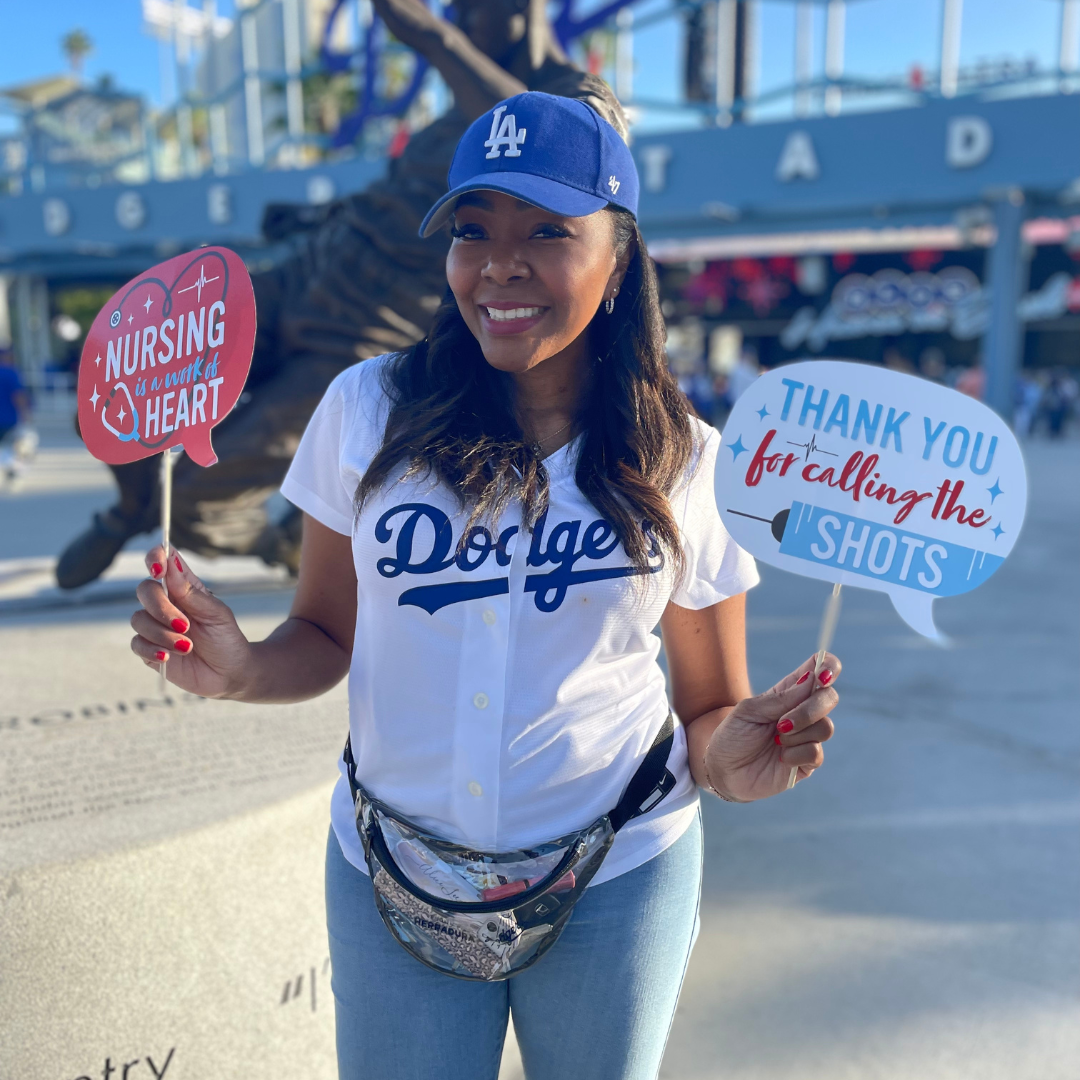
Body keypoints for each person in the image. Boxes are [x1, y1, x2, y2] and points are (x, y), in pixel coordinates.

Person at [128, 95, 840, 1080]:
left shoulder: (686, 459)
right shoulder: (366, 412)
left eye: (547, 231)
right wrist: (241, 667)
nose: (500, 263)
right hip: (393, 873)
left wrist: (734, 761)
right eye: (473, 231)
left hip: (617, 877)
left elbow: (710, 710)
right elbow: (323, 637)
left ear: (620, 254)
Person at [56, 0, 626, 589]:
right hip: (315, 269)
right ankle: (134, 508)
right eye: (451, 13)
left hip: (372, 321)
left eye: (472, 9)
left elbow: (551, 140)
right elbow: (399, 199)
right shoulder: (453, 108)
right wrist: (315, 216)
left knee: (199, 496)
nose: (461, 22)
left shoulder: (580, 98)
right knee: (126, 365)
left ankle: (281, 539)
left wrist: (430, 38)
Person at [0, 348, 31, 484]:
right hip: (8, 418)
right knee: (10, 445)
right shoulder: (11, 373)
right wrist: (25, 414)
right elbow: (18, 396)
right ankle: (11, 469)